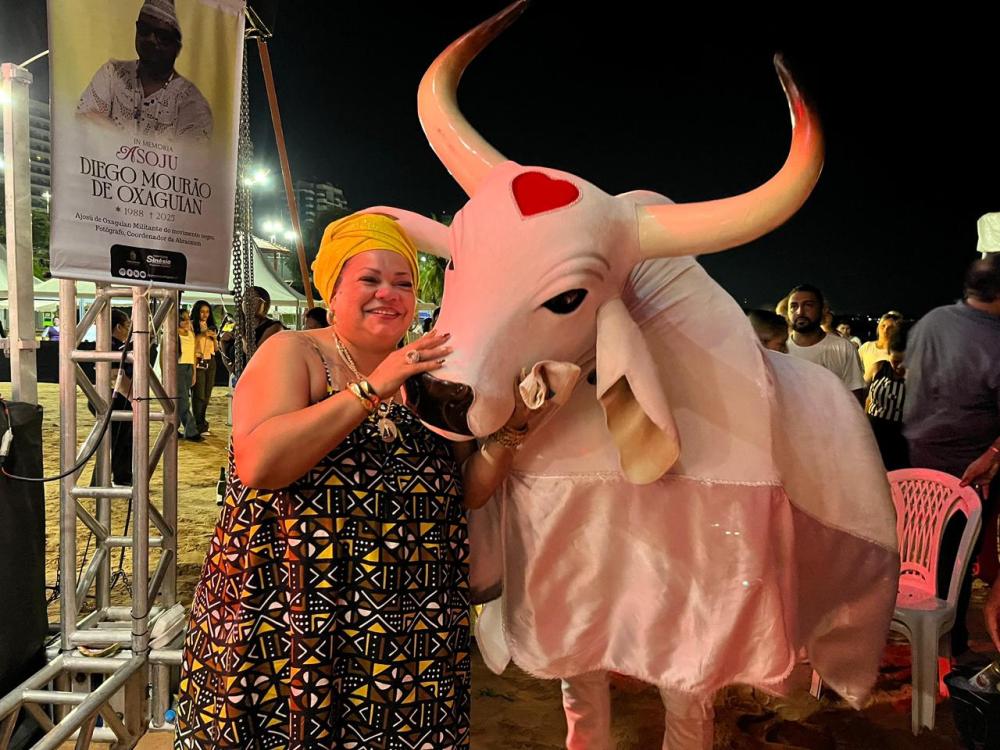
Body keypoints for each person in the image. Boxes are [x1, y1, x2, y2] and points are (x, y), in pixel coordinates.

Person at [174, 212, 547, 749]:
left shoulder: (436, 374)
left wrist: (512, 429)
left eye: (403, 284)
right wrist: (372, 387)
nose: (388, 295)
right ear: (333, 288)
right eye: (369, 280)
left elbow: (467, 489)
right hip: (292, 613)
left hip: (411, 621)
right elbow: (260, 463)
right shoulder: (296, 353)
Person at [903, 254, 1000, 656]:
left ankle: (932, 645)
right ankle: (948, 648)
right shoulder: (994, 338)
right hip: (970, 472)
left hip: (918, 466)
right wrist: (994, 452)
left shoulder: (932, 321)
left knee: (928, 556)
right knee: (956, 566)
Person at [76, 0, 213, 142]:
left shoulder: (192, 103)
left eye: (163, 36)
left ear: (177, 48)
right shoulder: (112, 73)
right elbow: (82, 122)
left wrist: (108, 131)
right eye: (144, 30)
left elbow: (189, 159)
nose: (151, 40)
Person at [783, 284, 865, 402]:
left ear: (822, 310)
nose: (800, 312)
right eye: (794, 306)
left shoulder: (843, 348)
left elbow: (855, 400)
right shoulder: (778, 349)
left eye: (808, 305)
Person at [865, 326, 908, 470]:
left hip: (902, 440)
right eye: (895, 361)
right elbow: (861, 396)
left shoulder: (920, 375)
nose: (899, 366)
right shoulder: (878, 367)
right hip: (873, 434)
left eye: (905, 361)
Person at [109, 309, 134, 486]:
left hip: (118, 398)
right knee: (120, 442)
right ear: (118, 326)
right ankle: (121, 476)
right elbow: (114, 375)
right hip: (116, 399)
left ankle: (121, 475)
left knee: (119, 441)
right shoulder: (112, 347)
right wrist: (132, 397)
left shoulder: (116, 346)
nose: (129, 330)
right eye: (127, 326)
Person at [190, 300, 217, 436]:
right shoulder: (192, 326)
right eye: (202, 311)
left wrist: (215, 338)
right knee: (198, 394)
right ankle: (198, 424)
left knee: (207, 394)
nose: (205, 314)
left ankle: (202, 423)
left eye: (207, 311)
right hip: (198, 360)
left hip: (210, 360)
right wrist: (202, 335)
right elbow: (190, 344)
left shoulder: (210, 326)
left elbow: (216, 349)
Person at [176, 308, 201, 441]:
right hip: (178, 368)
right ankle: (191, 431)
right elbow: (164, 356)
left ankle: (173, 429)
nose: (187, 321)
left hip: (188, 368)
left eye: (188, 318)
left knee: (180, 400)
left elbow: (192, 354)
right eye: (183, 319)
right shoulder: (173, 335)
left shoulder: (190, 334)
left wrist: (194, 373)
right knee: (183, 400)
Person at [858, 310, 903, 383]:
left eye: (890, 327)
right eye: (883, 326)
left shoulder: (898, 352)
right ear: (878, 327)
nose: (885, 330)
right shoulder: (867, 346)